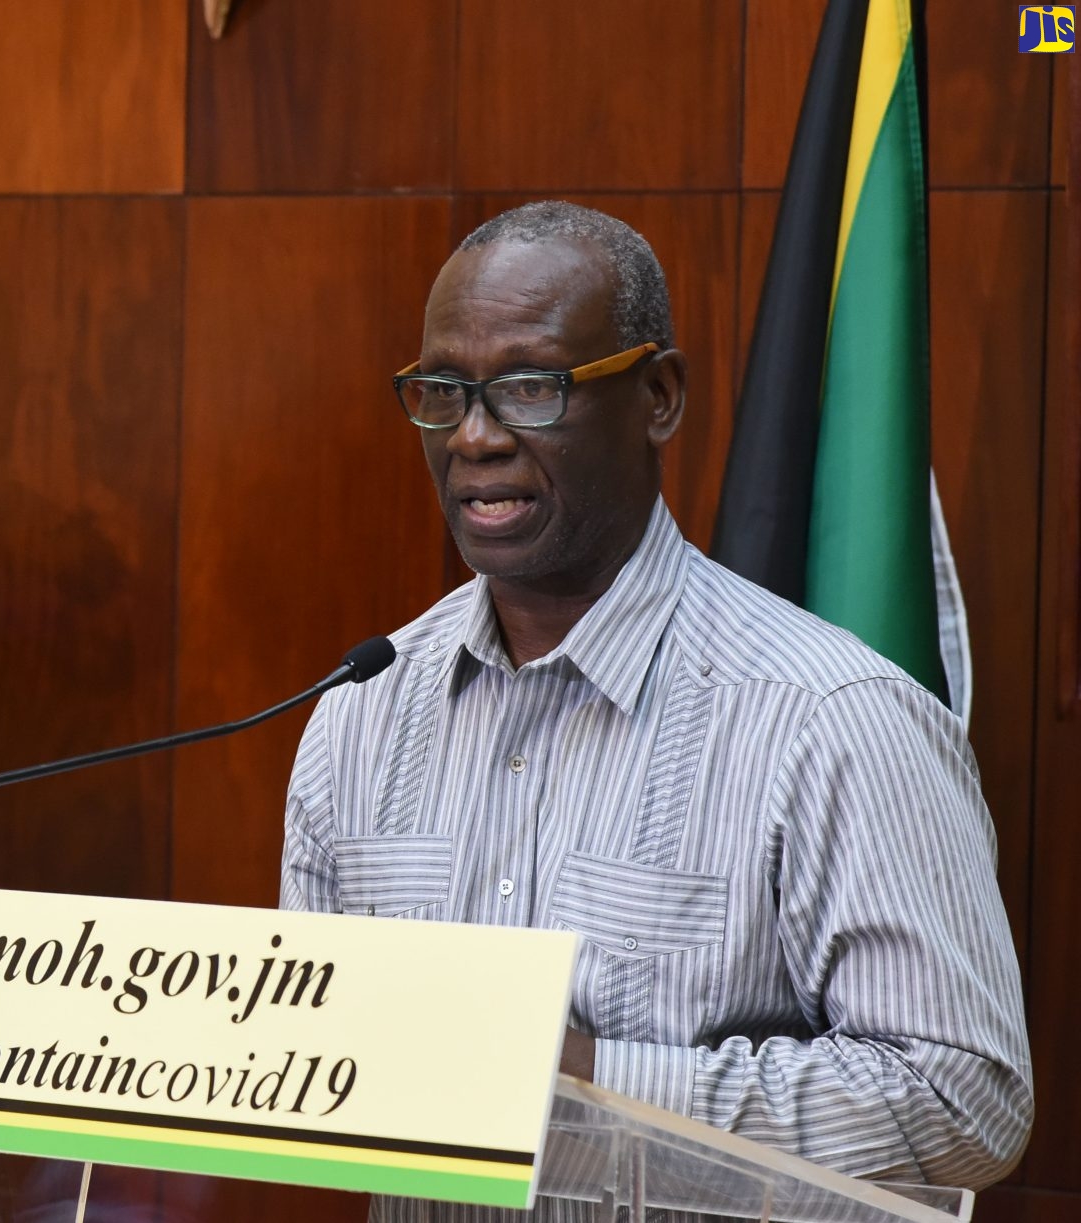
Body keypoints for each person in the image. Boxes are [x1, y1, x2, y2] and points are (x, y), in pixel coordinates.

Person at [279, 201, 1031, 1220]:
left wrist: (588, 1086)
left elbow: (961, 1097)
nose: (473, 435)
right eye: (442, 390)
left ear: (658, 396)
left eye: (528, 388)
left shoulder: (830, 718)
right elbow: (319, 1071)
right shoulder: (360, 711)